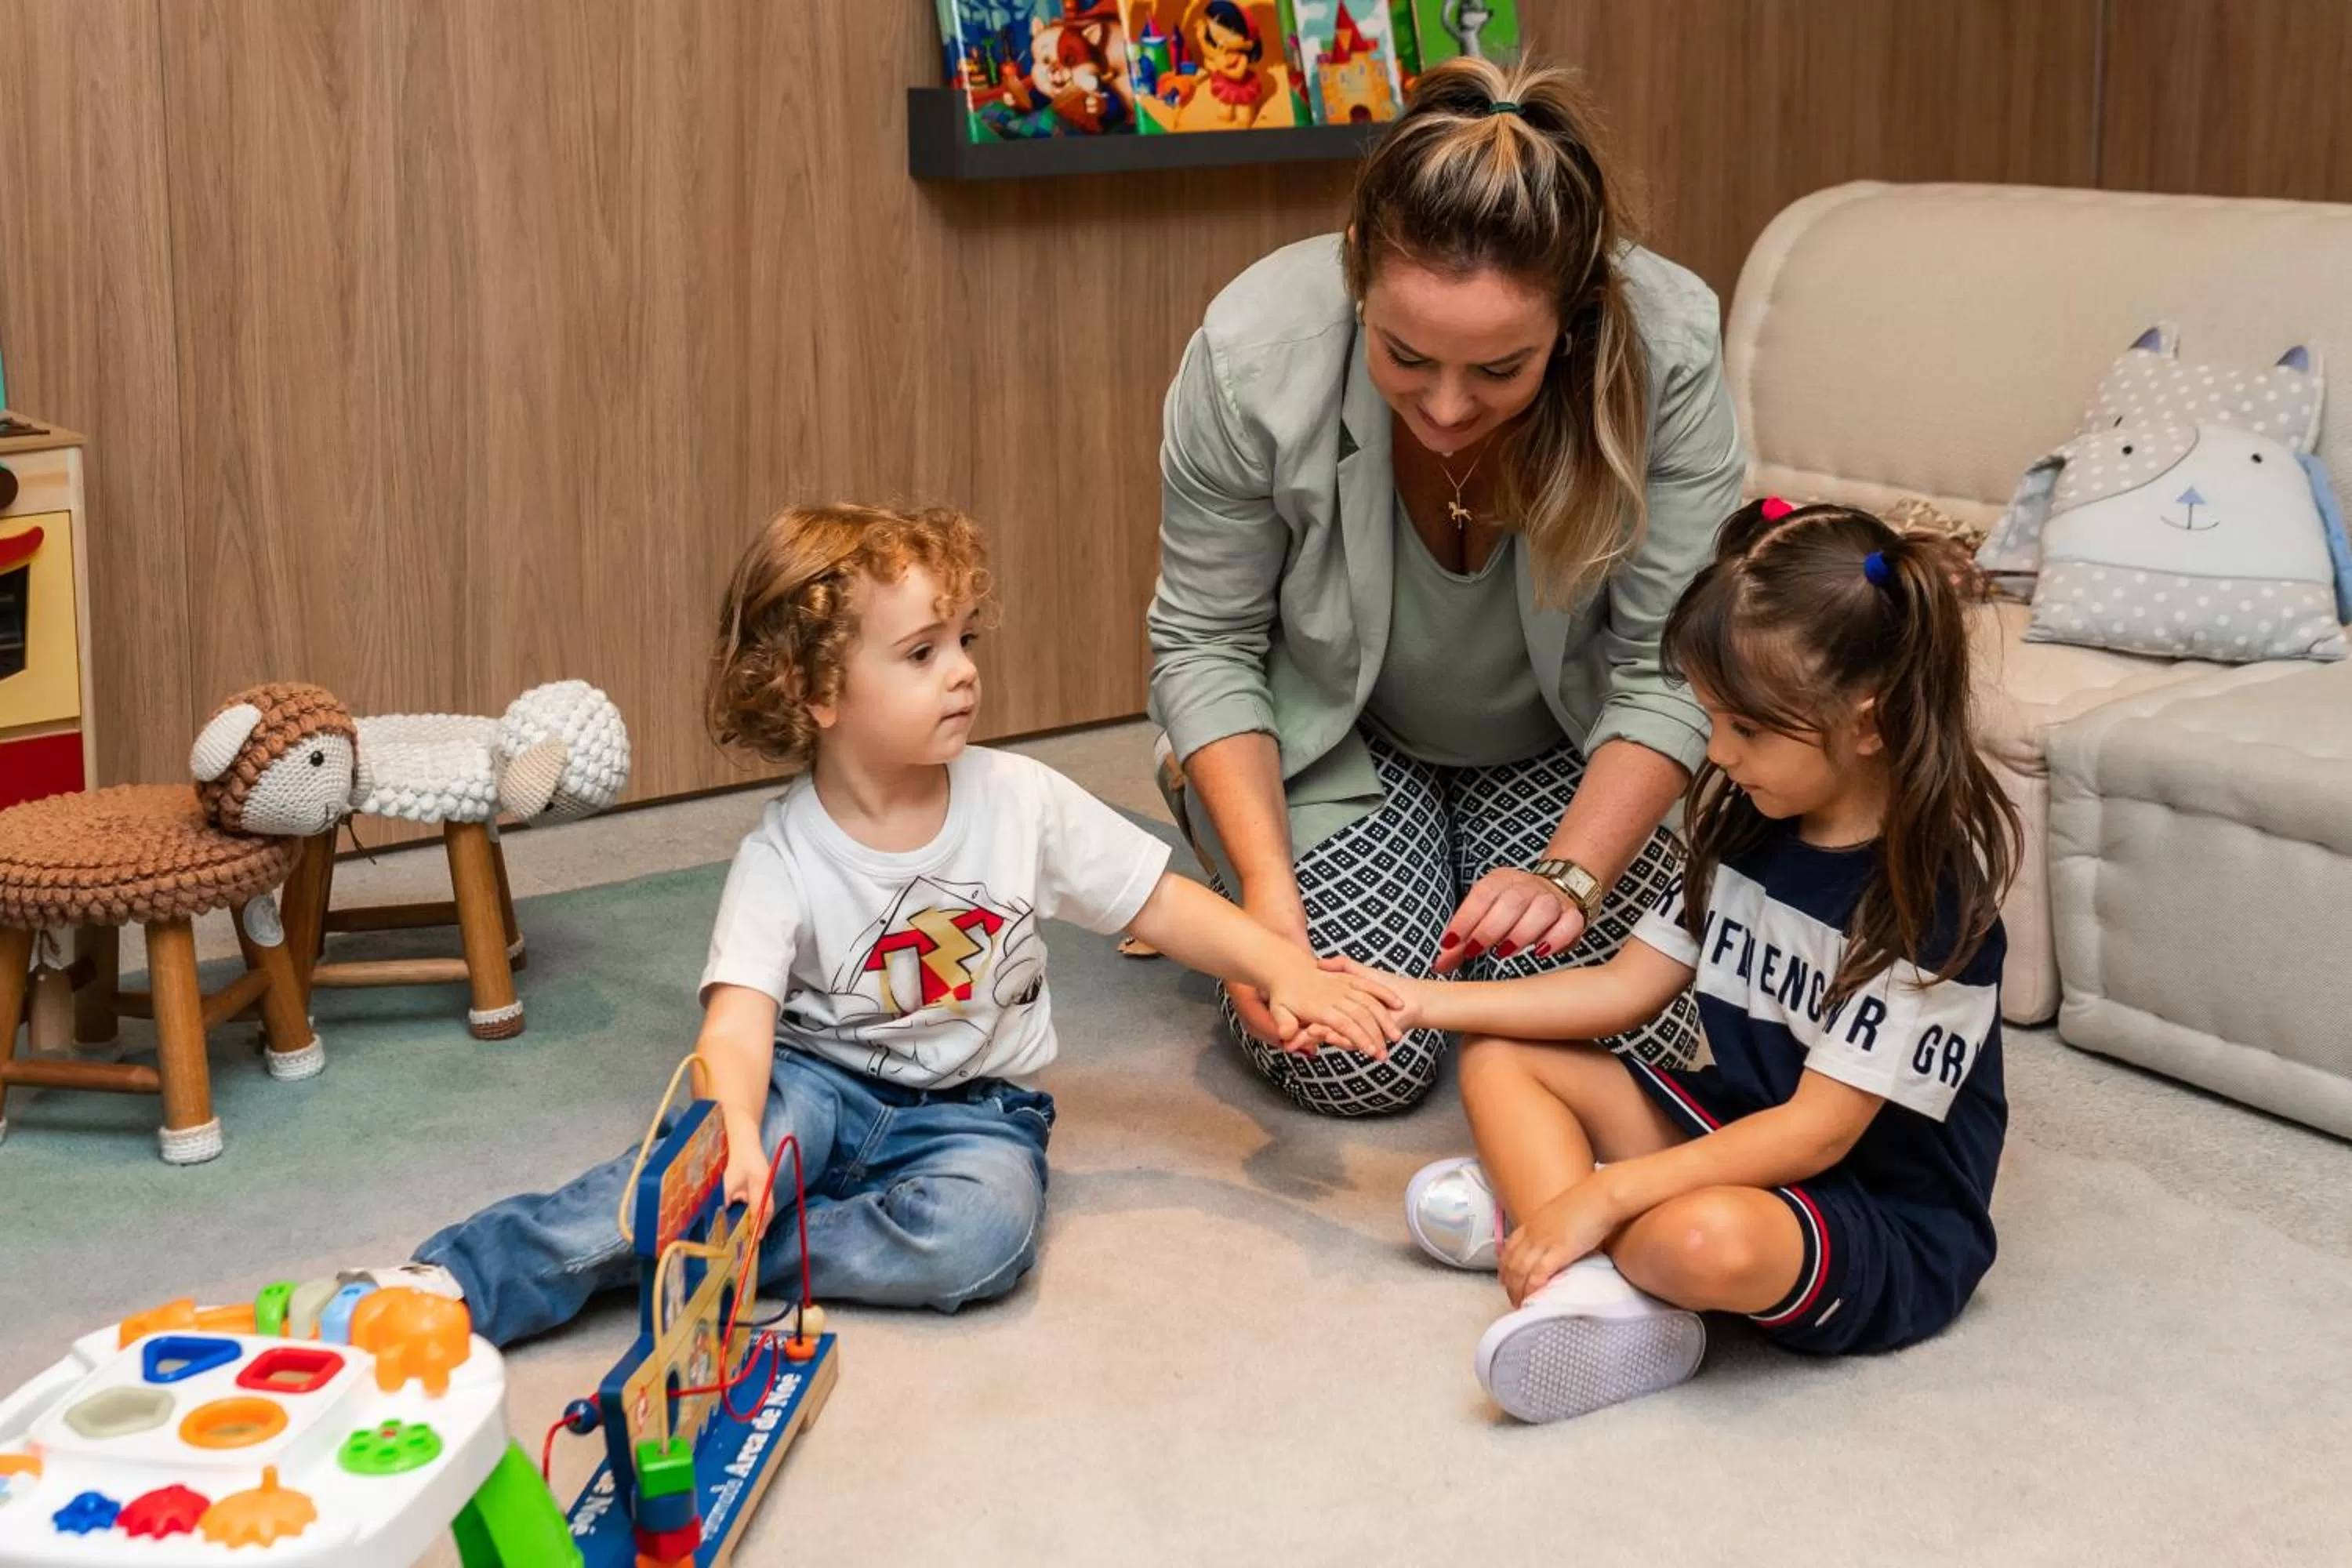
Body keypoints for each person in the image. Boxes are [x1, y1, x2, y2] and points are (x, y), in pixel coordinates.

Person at [390, 503, 1400, 1345]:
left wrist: (1282, 964)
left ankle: (732, 1244)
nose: (962, 669)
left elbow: (1162, 902)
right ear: (816, 692)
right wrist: (738, 1126)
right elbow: (736, 1025)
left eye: (964, 640)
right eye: (921, 651)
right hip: (813, 1082)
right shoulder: (780, 856)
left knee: (984, 1239)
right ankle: (462, 1279)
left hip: (975, 1106)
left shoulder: (1021, 798)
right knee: (683, 1169)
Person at [1146, 55, 1744, 1116]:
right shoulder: (1251, 352)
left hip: (1559, 742)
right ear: (1356, 276)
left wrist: (1568, 873)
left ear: (1572, 324)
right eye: (1404, 356)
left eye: (1501, 370)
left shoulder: (1671, 351)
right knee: (1350, 1053)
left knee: (1629, 1025)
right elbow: (1206, 644)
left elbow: (1673, 667)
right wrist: (1268, 908)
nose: (1449, 408)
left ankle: (1479, 851)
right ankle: (1227, 834)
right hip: (1336, 735)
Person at [1365, 499, 2020, 1422]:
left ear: (1866, 723)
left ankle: (1550, 1223)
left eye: (1747, 729)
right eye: (1711, 718)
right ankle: (1582, 1275)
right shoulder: (1751, 826)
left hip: (1878, 1218)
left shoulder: (1930, 906)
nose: (1716, 752)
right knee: (1497, 1050)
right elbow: (1619, 988)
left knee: (1702, 1239)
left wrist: (1604, 1192)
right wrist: (1422, 1000)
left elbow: (1817, 1137)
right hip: (1739, 1131)